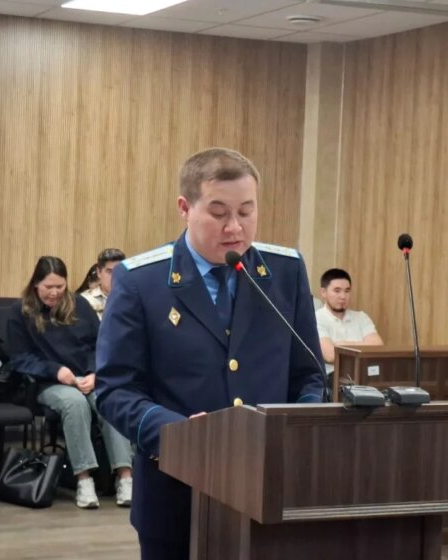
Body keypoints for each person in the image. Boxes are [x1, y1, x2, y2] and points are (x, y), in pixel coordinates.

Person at [95, 148, 325, 559]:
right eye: (218, 213)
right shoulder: (141, 280)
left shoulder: (284, 271)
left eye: (246, 211)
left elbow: (308, 373)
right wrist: (177, 433)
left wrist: (300, 425)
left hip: (269, 491)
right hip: (176, 494)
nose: (235, 227)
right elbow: (115, 388)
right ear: (185, 208)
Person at [7, 256, 133, 509]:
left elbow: (99, 345)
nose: (54, 293)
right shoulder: (20, 312)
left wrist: (94, 373)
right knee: (74, 403)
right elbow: (19, 359)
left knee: (109, 401)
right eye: (48, 287)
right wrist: (56, 371)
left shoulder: (80, 305)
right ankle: (84, 479)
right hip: (47, 383)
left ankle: (125, 477)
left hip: (85, 378)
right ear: (36, 284)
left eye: (60, 286)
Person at [316, 268, 384, 375]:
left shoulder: (361, 317)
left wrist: (342, 345)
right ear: (323, 292)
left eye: (347, 291)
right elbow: (331, 356)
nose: (343, 296)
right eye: (337, 291)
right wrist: (363, 345)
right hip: (334, 375)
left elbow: (378, 347)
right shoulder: (317, 318)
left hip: (364, 373)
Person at [79, 248, 126, 320]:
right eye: (110, 272)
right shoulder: (85, 300)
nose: (115, 276)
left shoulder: (131, 298)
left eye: (119, 271)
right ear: (99, 272)